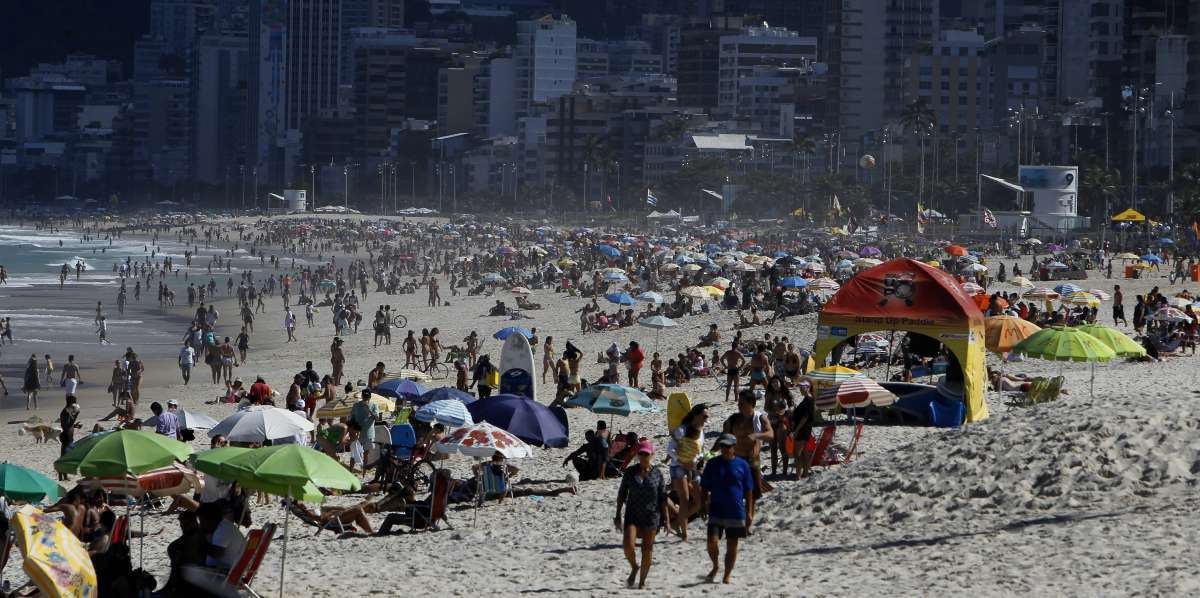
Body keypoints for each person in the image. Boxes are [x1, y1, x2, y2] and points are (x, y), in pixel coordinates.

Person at [614, 438, 669, 589]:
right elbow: (622, 494)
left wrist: (667, 519)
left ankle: (642, 581)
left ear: (652, 455)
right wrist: (618, 515)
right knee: (628, 545)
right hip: (633, 514)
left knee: (647, 549)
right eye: (641, 454)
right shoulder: (631, 472)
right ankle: (634, 567)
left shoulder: (657, 474)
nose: (644, 457)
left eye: (646, 454)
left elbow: (663, 498)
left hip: (652, 516)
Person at [701, 433, 754, 584]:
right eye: (722, 446)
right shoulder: (712, 463)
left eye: (727, 446)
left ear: (734, 447)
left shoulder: (742, 465)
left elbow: (749, 490)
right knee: (712, 541)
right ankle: (716, 565)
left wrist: (749, 512)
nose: (724, 449)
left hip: (736, 511)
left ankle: (727, 575)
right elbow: (704, 486)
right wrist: (703, 504)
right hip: (716, 509)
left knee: (732, 544)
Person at [349, 389, 380, 472]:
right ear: (362, 396)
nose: (366, 399)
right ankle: (350, 471)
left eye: (367, 397)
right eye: (364, 397)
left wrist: (369, 409)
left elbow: (377, 419)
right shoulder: (356, 405)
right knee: (354, 454)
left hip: (369, 434)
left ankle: (364, 473)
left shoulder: (374, 405)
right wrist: (352, 432)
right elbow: (351, 418)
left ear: (370, 397)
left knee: (366, 454)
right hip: (357, 434)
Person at [58, 395, 81, 481]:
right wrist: (75, 417)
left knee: (66, 456)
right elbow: (66, 426)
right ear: (71, 403)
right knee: (65, 456)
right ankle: (62, 475)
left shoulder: (68, 412)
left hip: (69, 436)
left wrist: (75, 425)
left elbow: (69, 424)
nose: (76, 404)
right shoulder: (65, 412)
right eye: (75, 402)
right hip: (66, 436)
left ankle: (64, 475)